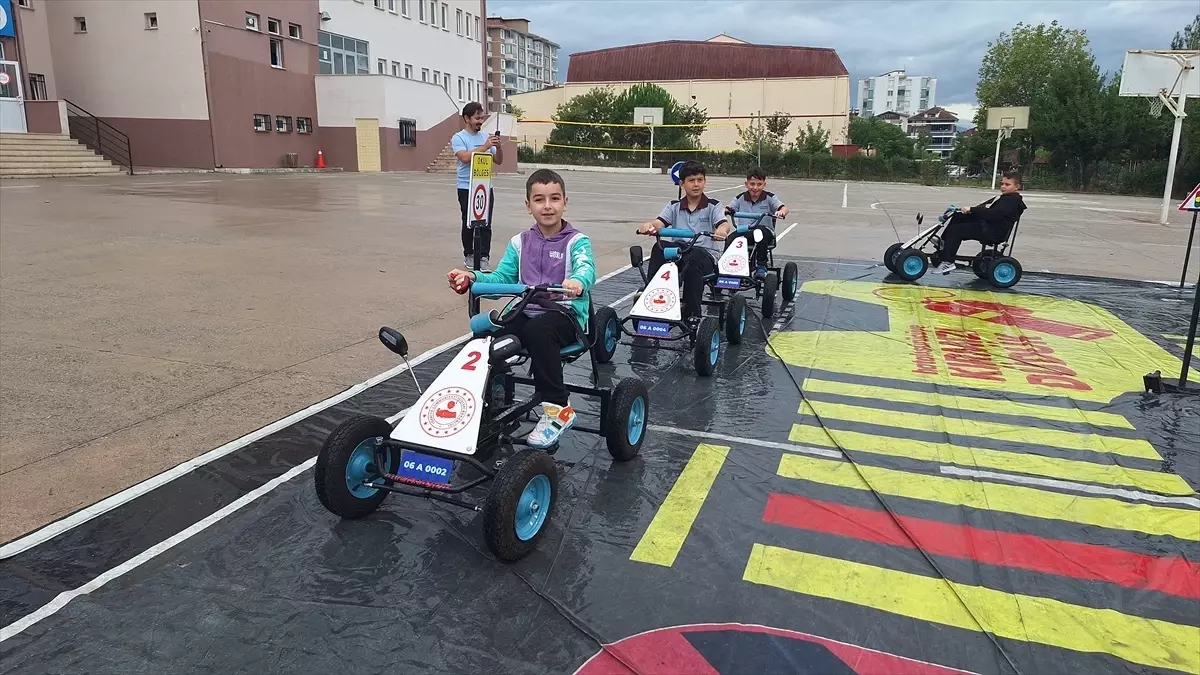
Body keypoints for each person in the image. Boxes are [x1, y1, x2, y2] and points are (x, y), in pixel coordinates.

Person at [447, 169, 595, 449]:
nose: (547, 206)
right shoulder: (520, 242)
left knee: (537, 330)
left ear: (565, 202)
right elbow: (503, 277)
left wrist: (577, 280)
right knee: (489, 336)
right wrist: (473, 278)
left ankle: (558, 408)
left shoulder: (577, 241)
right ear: (528, 206)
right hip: (527, 310)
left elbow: (586, 267)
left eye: (554, 198)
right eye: (539, 200)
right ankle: (488, 394)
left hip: (565, 315)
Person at [636, 160, 731, 322]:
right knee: (660, 248)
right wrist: (649, 226)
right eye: (691, 181)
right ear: (682, 184)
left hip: (705, 256)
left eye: (700, 180)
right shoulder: (674, 206)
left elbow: (723, 223)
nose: (696, 185)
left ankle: (692, 313)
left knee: (695, 257)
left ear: (705, 182)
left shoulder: (713, 206)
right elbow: (659, 223)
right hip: (680, 253)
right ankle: (650, 293)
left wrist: (721, 231)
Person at [932, 170, 1027, 274]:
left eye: (1007, 184)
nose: (1003, 186)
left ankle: (948, 262)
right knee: (958, 217)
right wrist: (968, 212)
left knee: (956, 230)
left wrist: (973, 210)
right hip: (989, 226)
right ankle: (943, 242)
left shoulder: (1011, 201)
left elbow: (993, 215)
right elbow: (991, 214)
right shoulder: (1008, 198)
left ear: (1017, 187)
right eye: (1002, 184)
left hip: (993, 232)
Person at [452, 102, 505, 271]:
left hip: (484, 186)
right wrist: (485, 147)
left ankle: (483, 257)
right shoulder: (459, 138)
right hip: (466, 187)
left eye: (481, 117)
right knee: (468, 222)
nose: (480, 121)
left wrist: (497, 146)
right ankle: (469, 254)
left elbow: (498, 160)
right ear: (467, 118)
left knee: (485, 224)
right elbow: (465, 158)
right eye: (476, 118)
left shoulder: (486, 137)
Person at [723, 167, 791, 279]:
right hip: (745, 231)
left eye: (759, 184)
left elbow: (784, 208)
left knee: (759, 232)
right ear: (746, 184)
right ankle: (725, 268)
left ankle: (761, 265)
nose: (755, 188)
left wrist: (781, 212)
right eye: (752, 184)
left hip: (765, 233)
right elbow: (729, 208)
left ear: (764, 184)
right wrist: (727, 211)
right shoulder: (740, 198)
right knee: (730, 238)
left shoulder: (769, 198)